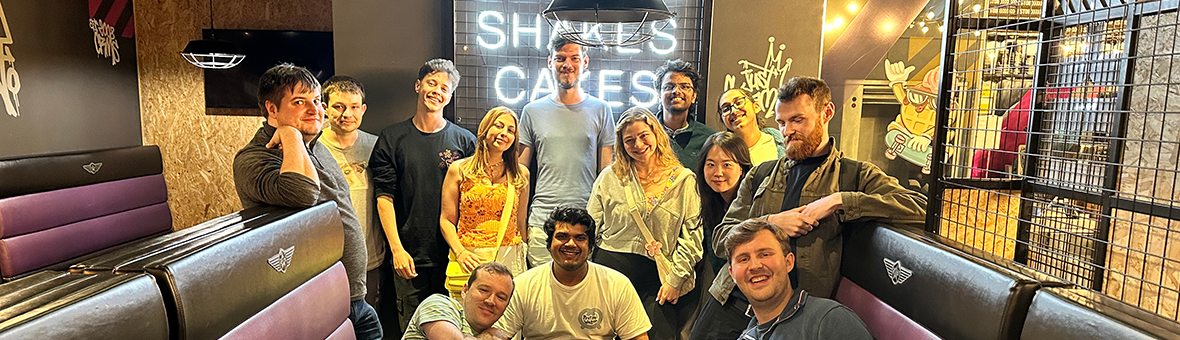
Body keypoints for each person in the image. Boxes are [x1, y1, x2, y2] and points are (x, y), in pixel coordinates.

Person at [691, 77, 926, 340]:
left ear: (826, 113)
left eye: (797, 120)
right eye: (781, 122)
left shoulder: (854, 175)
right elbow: (722, 239)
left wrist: (839, 201)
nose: (787, 131)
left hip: (797, 315)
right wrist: (771, 223)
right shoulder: (762, 174)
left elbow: (920, 207)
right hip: (731, 301)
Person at [232, 64, 382, 340]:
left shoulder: (317, 148)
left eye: (316, 100)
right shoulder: (253, 159)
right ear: (272, 110)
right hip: (316, 302)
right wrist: (290, 134)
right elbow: (302, 192)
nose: (314, 109)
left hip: (353, 297)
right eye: (299, 102)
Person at [369, 59, 477, 331]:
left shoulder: (465, 142)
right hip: (409, 255)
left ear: (450, 96)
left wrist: (465, 250)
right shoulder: (392, 138)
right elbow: (384, 197)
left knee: (455, 327)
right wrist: (397, 250)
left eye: (444, 88)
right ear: (418, 85)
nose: (436, 91)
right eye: (431, 83)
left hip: (454, 255)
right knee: (414, 329)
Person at [587, 107, 702, 340]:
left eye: (643, 136)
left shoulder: (684, 180)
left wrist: (675, 279)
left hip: (657, 279)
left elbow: (692, 237)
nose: (637, 144)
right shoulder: (610, 177)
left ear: (656, 134)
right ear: (621, 144)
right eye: (629, 140)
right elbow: (590, 227)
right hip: (610, 271)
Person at [518, 34, 616, 267]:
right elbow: (520, 174)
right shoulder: (532, 111)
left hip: (587, 220)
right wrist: (519, 227)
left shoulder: (602, 110)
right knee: (541, 297)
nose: (567, 64)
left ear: (585, 62)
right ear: (550, 62)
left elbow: (607, 174)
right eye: (560, 58)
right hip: (542, 221)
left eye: (574, 58)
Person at [484, 206, 651, 340]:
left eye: (580, 238)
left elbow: (638, 337)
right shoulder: (523, 285)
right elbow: (498, 334)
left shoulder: (617, 285)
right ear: (549, 244)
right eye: (562, 236)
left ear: (591, 246)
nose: (571, 244)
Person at [723, 219, 872, 339]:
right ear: (732, 275)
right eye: (743, 259)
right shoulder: (749, 335)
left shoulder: (829, 320)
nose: (755, 266)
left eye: (765, 254)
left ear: (788, 262)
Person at [439, 107, 531, 296]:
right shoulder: (460, 169)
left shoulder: (521, 174)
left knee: (508, 318)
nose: (504, 133)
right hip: (470, 256)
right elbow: (446, 220)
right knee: (468, 316)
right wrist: (460, 252)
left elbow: (520, 223)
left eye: (511, 130)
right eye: (499, 126)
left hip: (510, 255)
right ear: (486, 129)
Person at [319, 75, 387, 312]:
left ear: (363, 109)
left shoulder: (377, 146)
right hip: (326, 261)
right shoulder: (312, 148)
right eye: (339, 106)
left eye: (354, 107)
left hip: (370, 259)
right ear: (325, 108)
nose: (346, 114)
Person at [693, 132, 753, 282]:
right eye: (711, 165)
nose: (718, 173)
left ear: (742, 169)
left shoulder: (754, 202)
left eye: (727, 165)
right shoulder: (706, 202)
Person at [401, 262, 515, 340]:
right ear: (465, 290)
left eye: (501, 297)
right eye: (484, 290)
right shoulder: (438, 304)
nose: (491, 301)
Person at [653, 59, 715, 165]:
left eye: (685, 87)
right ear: (659, 94)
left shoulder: (709, 139)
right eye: (669, 87)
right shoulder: (645, 135)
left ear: (694, 96)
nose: (676, 91)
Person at [717, 88, 784, 165]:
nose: (734, 111)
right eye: (726, 109)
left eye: (738, 102)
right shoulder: (722, 154)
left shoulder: (781, 144)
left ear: (756, 107)